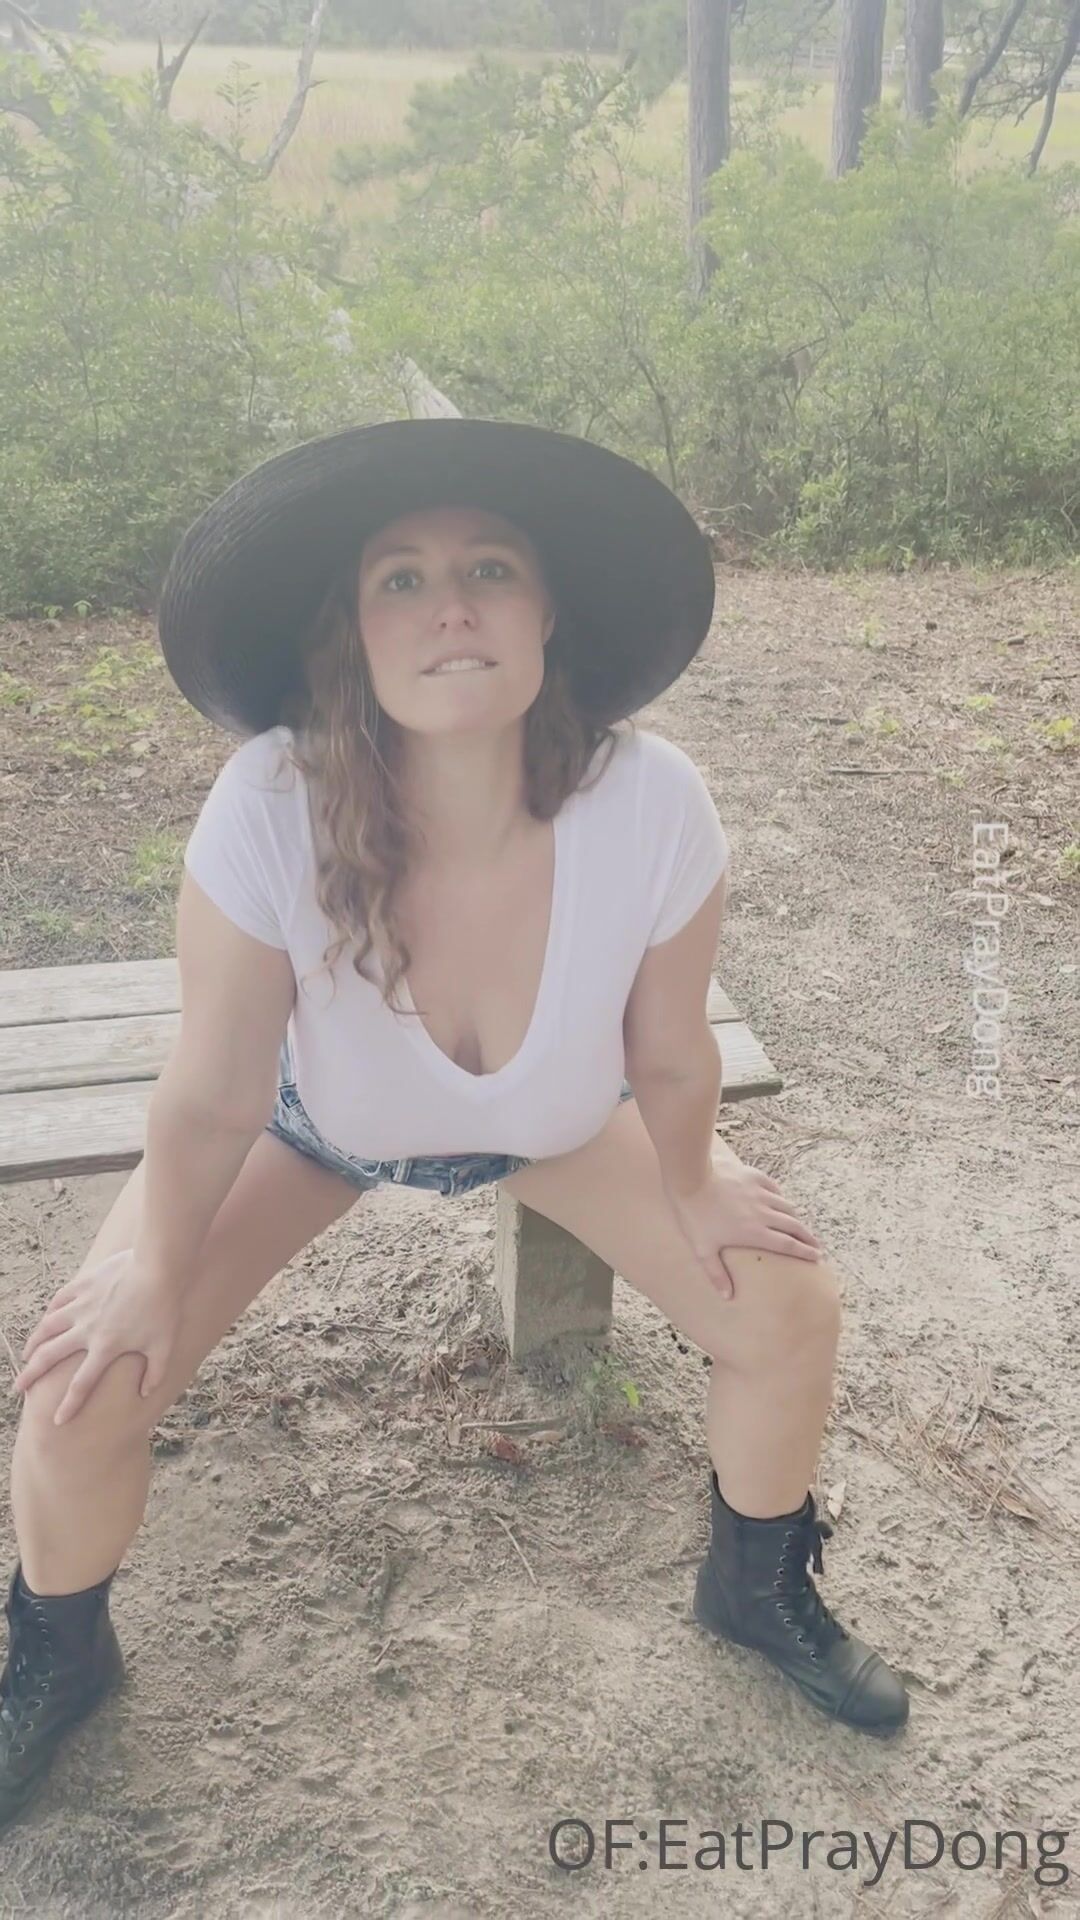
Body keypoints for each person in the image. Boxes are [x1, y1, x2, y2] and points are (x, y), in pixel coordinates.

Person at [0, 418, 908, 1830]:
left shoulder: (653, 802)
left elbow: (670, 1051)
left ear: (547, 614)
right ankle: (56, 1657)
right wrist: (155, 1267)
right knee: (78, 1392)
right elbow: (218, 1085)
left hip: (561, 1121)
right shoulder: (273, 801)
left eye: (490, 568)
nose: (451, 605)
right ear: (354, 633)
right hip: (313, 1122)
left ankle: (755, 1586)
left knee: (791, 1310)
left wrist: (692, 1184)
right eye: (402, 579)